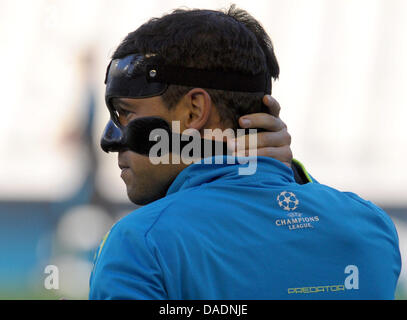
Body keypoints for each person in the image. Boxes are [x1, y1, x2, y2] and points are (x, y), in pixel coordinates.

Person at [89, 6, 401, 299]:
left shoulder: (140, 244)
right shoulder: (371, 226)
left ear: (193, 111)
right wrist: (288, 172)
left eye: (125, 113)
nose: (109, 140)